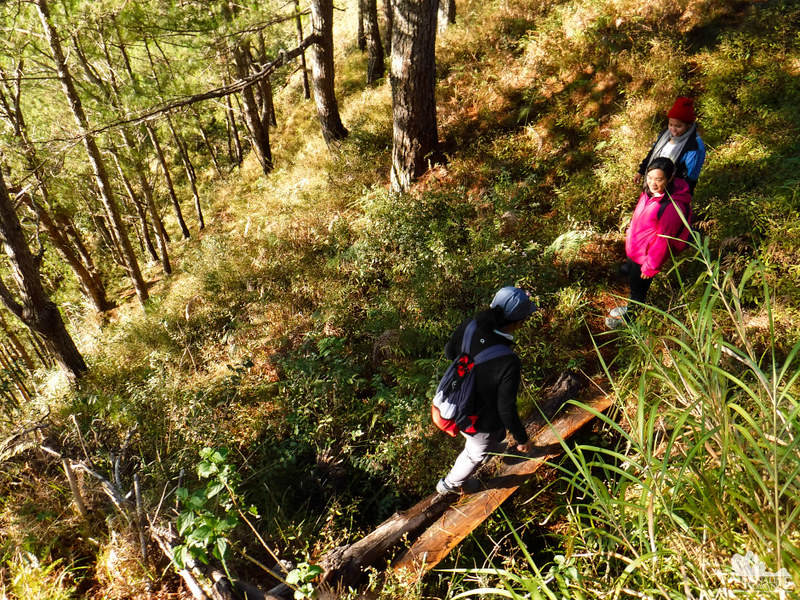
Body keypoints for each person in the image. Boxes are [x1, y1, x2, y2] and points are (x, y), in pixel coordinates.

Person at [436, 286, 536, 495]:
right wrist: (522, 439)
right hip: (478, 421)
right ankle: (449, 485)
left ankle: (486, 447)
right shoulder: (507, 360)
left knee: (485, 440)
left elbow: (449, 352)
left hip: (451, 397)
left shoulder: (470, 326)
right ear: (518, 323)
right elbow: (506, 409)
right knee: (474, 455)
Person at [607, 157, 692, 329]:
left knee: (639, 292)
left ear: (670, 179)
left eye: (659, 179)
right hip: (635, 251)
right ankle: (630, 309)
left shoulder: (671, 207)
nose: (653, 183)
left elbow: (664, 240)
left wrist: (650, 266)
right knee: (634, 286)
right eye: (650, 178)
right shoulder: (648, 194)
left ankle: (631, 323)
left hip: (646, 259)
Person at [634, 97, 706, 194]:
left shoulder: (694, 146)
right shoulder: (665, 134)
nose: (673, 130)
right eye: (671, 125)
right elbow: (652, 152)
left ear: (688, 125)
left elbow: (690, 177)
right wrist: (641, 171)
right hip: (654, 185)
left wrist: (678, 195)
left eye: (678, 126)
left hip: (672, 191)